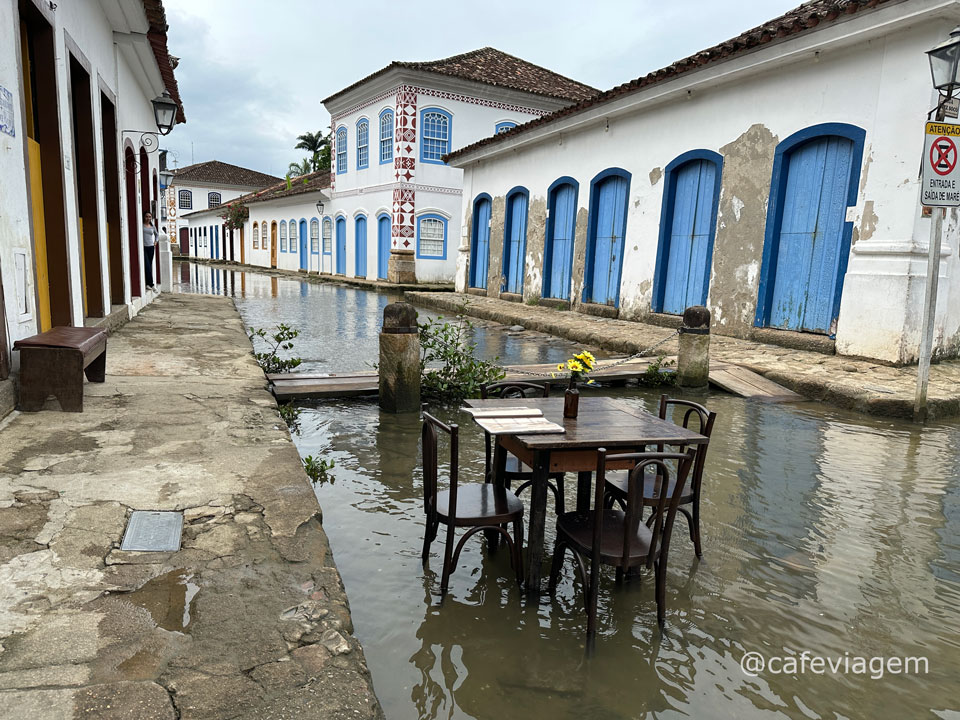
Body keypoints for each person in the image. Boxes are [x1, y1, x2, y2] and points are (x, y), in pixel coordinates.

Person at [143, 212, 158, 291]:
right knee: (147, 265)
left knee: (149, 266)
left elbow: (157, 235)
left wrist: (156, 242)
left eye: (149, 217)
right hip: (144, 247)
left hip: (151, 247)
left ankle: (148, 283)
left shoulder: (152, 226)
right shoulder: (141, 225)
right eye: (146, 216)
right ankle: (151, 284)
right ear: (144, 217)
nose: (148, 218)